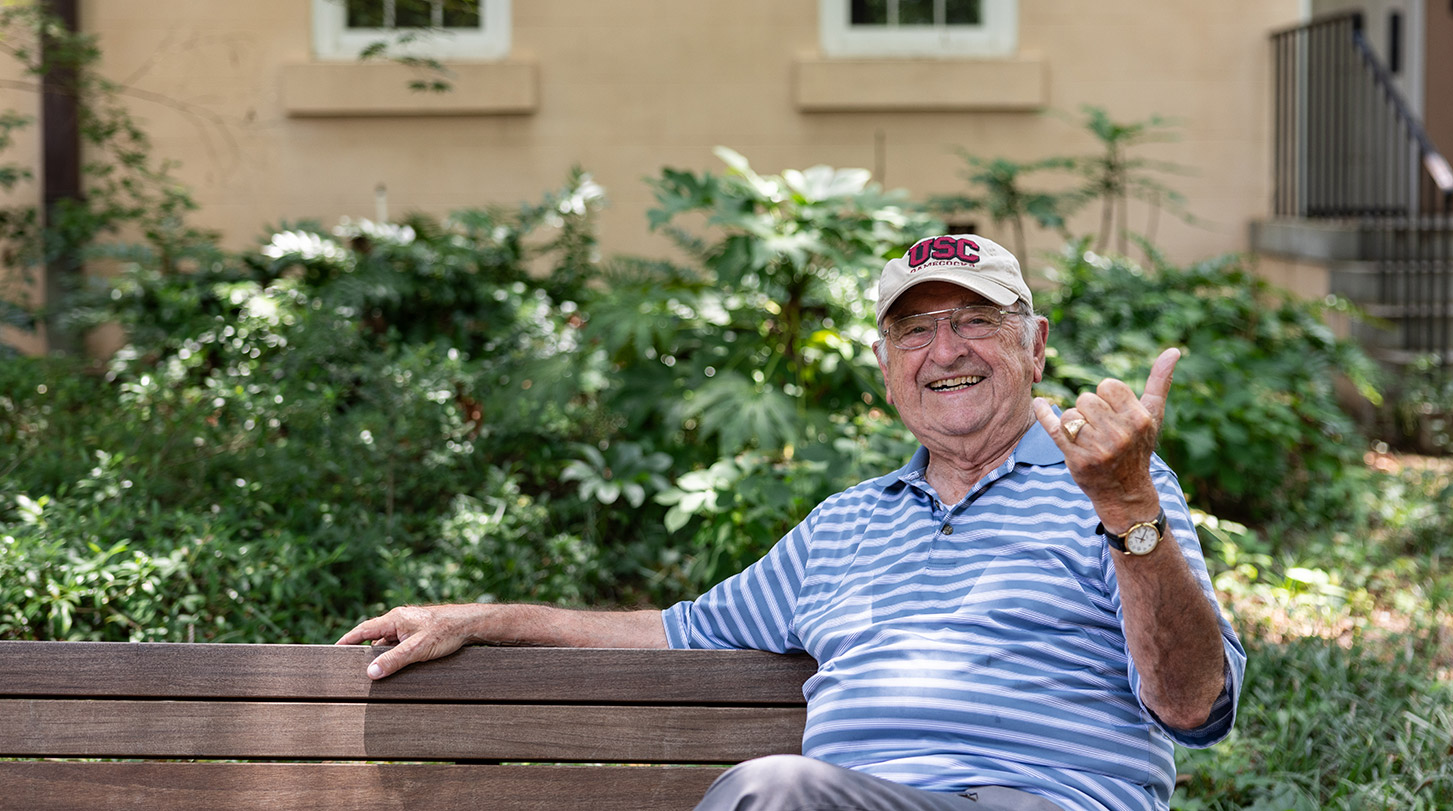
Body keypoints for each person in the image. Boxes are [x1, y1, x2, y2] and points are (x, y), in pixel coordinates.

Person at [338, 234, 1246, 811]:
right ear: (886, 365)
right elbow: (665, 632)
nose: (947, 351)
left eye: (976, 320)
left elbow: (1193, 705)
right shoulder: (844, 526)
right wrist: (477, 620)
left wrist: (1128, 509)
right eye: (915, 331)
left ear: (1035, 345)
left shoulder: (1118, 489)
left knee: (775, 791)